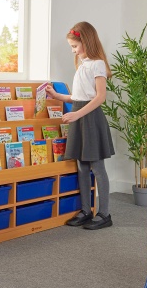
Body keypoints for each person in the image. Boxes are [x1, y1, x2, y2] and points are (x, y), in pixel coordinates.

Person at [46, 21, 115, 230]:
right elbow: (78, 96)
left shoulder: (97, 64)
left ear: (85, 42)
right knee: (82, 166)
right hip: (79, 115)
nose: (73, 50)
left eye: (75, 46)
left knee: (97, 167)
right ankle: (86, 210)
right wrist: (58, 96)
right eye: (71, 47)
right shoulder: (82, 65)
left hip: (91, 118)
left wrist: (77, 114)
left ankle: (104, 214)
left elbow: (100, 97)